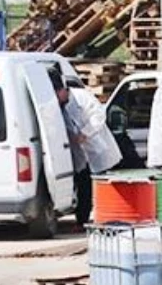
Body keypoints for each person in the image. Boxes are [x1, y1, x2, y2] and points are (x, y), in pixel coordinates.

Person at [48, 66, 121, 227]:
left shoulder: (81, 97)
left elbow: (98, 115)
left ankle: (107, 219)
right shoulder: (57, 108)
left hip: (98, 149)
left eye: (56, 93)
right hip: (80, 155)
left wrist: (85, 133)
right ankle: (82, 221)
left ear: (63, 90)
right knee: (83, 188)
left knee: (103, 186)